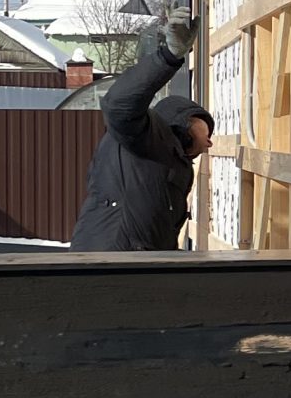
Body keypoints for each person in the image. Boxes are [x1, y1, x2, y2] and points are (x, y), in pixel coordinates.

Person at [70, 16, 215, 251]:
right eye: (207, 130)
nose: (209, 143)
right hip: (107, 260)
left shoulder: (176, 163)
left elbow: (159, 226)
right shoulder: (144, 134)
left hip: (136, 262)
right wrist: (168, 57)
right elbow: (118, 103)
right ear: (187, 119)